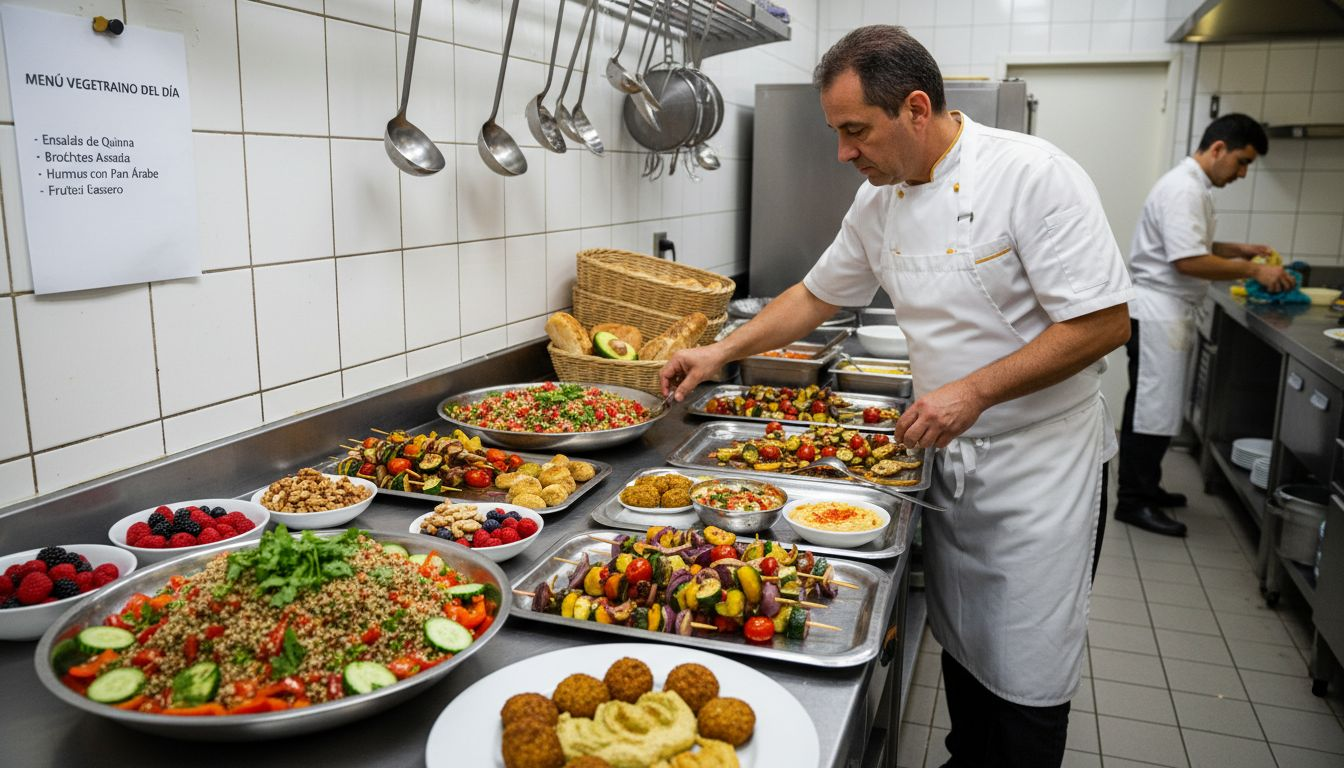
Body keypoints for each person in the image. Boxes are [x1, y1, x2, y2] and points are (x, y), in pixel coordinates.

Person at [661, 26, 1133, 768]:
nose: (844, 152)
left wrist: (971, 392)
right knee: (966, 635)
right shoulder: (878, 202)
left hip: (1043, 466)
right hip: (952, 454)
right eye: (836, 132)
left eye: (856, 131)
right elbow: (815, 296)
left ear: (916, 108)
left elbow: (1104, 322)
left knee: (1028, 662)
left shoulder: (1032, 174)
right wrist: (720, 351)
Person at [1116, 114, 1291, 537]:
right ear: (1218, 149)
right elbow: (1187, 259)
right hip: (1160, 313)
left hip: (1167, 312)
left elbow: (1192, 243)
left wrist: (1236, 248)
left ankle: (1147, 487)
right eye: (1242, 162)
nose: (1243, 173)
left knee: (1158, 406)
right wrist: (1253, 270)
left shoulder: (1193, 187)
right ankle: (1133, 501)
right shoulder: (1183, 189)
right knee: (1152, 409)